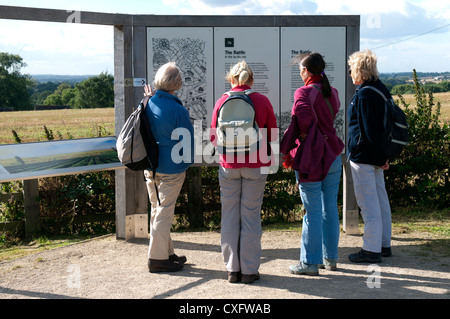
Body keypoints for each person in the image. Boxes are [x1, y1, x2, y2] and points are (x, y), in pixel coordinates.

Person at [210, 61, 278, 284]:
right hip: (256, 165)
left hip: (228, 165)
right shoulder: (261, 100)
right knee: (250, 215)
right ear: (251, 80)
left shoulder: (222, 101)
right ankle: (249, 270)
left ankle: (232, 269)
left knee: (229, 214)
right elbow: (273, 135)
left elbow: (213, 138)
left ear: (231, 79)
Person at [284, 52, 344, 276]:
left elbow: (304, 123)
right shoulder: (333, 92)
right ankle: (330, 259)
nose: (300, 73)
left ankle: (309, 262)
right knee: (329, 208)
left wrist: (288, 149)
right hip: (333, 154)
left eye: (301, 69)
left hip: (311, 157)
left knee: (312, 211)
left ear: (307, 71)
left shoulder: (302, 92)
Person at [144, 62, 194, 273]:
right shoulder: (177, 110)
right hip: (172, 169)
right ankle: (156, 259)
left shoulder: (147, 102)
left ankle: (166, 253)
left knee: (157, 210)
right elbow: (187, 142)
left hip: (150, 166)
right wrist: (186, 164)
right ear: (178, 83)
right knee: (164, 212)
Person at [347, 50, 392, 263]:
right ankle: (383, 244)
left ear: (359, 70)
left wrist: (377, 156)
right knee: (381, 200)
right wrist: (383, 157)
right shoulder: (381, 89)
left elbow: (368, 130)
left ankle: (371, 250)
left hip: (363, 156)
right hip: (376, 156)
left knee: (368, 203)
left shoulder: (364, 94)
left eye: (351, 69)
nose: (349, 73)